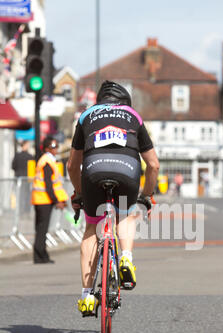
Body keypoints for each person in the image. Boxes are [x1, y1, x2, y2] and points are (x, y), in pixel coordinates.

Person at [67, 80, 160, 315]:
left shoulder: (86, 116)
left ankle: (87, 297)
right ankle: (126, 258)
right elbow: (153, 165)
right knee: (126, 215)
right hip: (127, 170)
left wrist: (79, 194)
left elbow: (71, 165)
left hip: (93, 170)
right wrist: (146, 196)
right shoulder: (133, 116)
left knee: (91, 227)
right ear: (125, 102)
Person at [31, 136, 68, 264]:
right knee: (42, 229)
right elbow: (48, 184)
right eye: (53, 147)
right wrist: (56, 200)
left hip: (42, 199)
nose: (56, 149)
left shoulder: (48, 160)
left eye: (57, 146)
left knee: (40, 229)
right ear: (46, 148)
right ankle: (41, 255)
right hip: (44, 200)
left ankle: (39, 255)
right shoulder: (47, 161)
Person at [12, 140, 33, 213]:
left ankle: (20, 210)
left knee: (19, 195)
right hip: (27, 179)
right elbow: (32, 169)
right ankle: (26, 210)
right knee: (27, 195)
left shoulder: (17, 155)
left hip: (18, 179)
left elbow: (13, 166)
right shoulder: (30, 156)